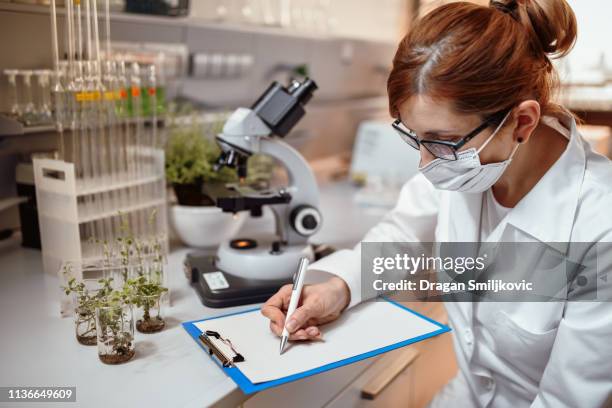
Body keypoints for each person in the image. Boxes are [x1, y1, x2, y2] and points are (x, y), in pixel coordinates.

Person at [262, 0, 612, 407]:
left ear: (522, 122)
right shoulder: (467, 160)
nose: (425, 165)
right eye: (416, 138)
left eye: (441, 143)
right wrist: (337, 287)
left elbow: (567, 400)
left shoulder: (599, 225)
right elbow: (402, 235)